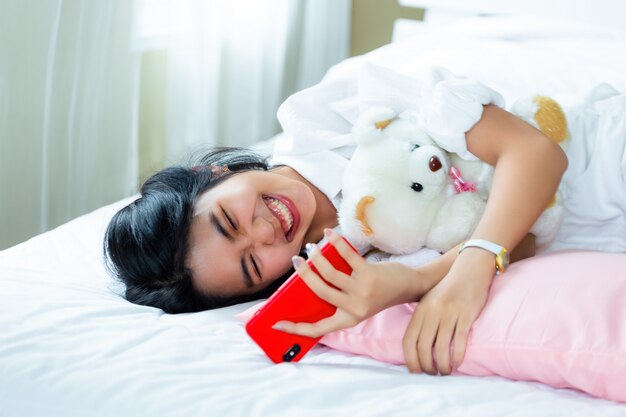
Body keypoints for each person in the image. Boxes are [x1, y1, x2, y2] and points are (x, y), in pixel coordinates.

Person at [106, 63, 589, 376]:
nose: (264, 231)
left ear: (211, 174)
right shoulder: (346, 272)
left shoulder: (326, 117)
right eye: (253, 264)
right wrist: (408, 284)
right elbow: (521, 238)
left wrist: (461, 270)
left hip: (602, 158)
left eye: (231, 220)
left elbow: (535, 153)